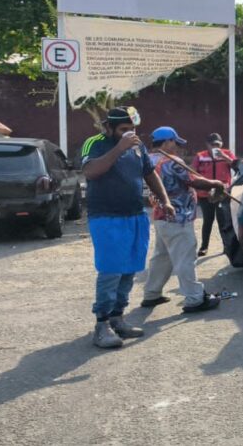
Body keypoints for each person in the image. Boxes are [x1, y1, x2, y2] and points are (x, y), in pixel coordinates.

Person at [81, 107, 173, 350]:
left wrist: (165, 200)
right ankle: (102, 325)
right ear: (108, 127)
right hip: (106, 217)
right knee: (111, 270)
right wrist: (120, 148)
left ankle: (117, 318)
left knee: (129, 270)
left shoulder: (137, 147)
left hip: (135, 215)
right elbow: (91, 172)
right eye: (123, 129)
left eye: (132, 129)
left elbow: (150, 174)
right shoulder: (95, 143)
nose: (129, 133)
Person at [141, 127, 224, 314]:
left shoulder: (148, 159)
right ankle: (195, 298)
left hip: (160, 216)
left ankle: (151, 293)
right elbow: (194, 181)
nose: (177, 147)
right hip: (178, 217)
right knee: (185, 259)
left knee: (161, 257)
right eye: (175, 143)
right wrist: (216, 183)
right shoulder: (172, 161)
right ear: (167, 142)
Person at [192, 132, 237, 256]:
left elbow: (236, 166)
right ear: (207, 145)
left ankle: (226, 246)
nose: (215, 147)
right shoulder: (200, 156)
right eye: (212, 144)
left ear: (221, 144)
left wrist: (224, 156)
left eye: (218, 144)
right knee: (208, 220)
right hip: (205, 193)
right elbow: (192, 172)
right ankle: (204, 247)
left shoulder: (227, 153)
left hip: (222, 193)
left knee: (223, 220)